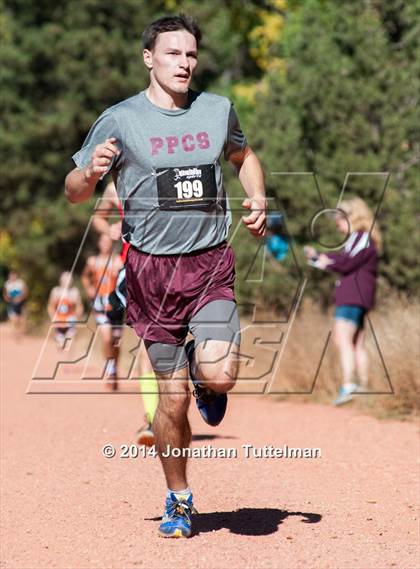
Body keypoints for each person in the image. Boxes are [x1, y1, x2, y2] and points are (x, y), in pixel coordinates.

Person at [65, 14, 266, 538]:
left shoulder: (217, 109)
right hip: (150, 273)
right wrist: (89, 172)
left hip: (209, 262)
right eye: (173, 53)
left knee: (220, 374)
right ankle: (179, 497)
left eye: (191, 54)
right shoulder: (119, 119)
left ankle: (209, 380)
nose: (184, 62)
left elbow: (244, 156)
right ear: (149, 58)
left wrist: (258, 196)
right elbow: (73, 190)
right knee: (170, 400)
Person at [92, 181, 158, 446]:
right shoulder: (114, 187)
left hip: (183, 265)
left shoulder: (168, 168)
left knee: (181, 341)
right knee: (147, 343)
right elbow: (99, 216)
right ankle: (154, 419)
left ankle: (203, 378)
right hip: (136, 269)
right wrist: (109, 229)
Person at [304, 197, 381, 406]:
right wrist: (319, 258)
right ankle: (363, 389)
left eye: (340, 218)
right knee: (357, 343)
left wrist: (321, 259)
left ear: (353, 216)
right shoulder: (359, 239)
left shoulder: (361, 237)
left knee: (342, 339)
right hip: (358, 296)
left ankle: (349, 386)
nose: (337, 223)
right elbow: (343, 259)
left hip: (353, 296)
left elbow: (346, 263)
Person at [81, 233, 124, 390]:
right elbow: (85, 277)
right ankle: (110, 370)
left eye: (108, 242)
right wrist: (89, 288)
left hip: (116, 306)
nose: (105, 244)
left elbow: (125, 279)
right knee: (106, 338)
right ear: (99, 243)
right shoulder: (93, 261)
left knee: (116, 341)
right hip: (100, 304)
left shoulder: (117, 261)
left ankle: (115, 369)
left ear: (111, 244)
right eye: (103, 241)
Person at [47, 271, 83, 349]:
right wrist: (53, 317)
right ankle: (59, 338)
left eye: (69, 279)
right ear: (61, 280)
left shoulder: (74, 292)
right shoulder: (56, 291)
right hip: (59, 319)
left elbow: (79, 306)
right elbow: (50, 306)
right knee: (60, 345)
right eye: (65, 279)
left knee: (68, 343)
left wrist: (76, 318)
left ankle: (66, 339)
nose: (67, 281)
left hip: (70, 318)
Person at [3, 270, 28, 339]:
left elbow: (25, 292)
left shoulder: (20, 283)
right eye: (11, 275)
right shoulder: (7, 284)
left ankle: (20, 333)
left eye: (14, 275)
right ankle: (15, 334)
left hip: (21, 303)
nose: (12, 277)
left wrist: (20, 298)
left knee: (21, 320)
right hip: (12, 304)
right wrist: (9, 299)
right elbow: (5, 295)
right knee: (14, 319)